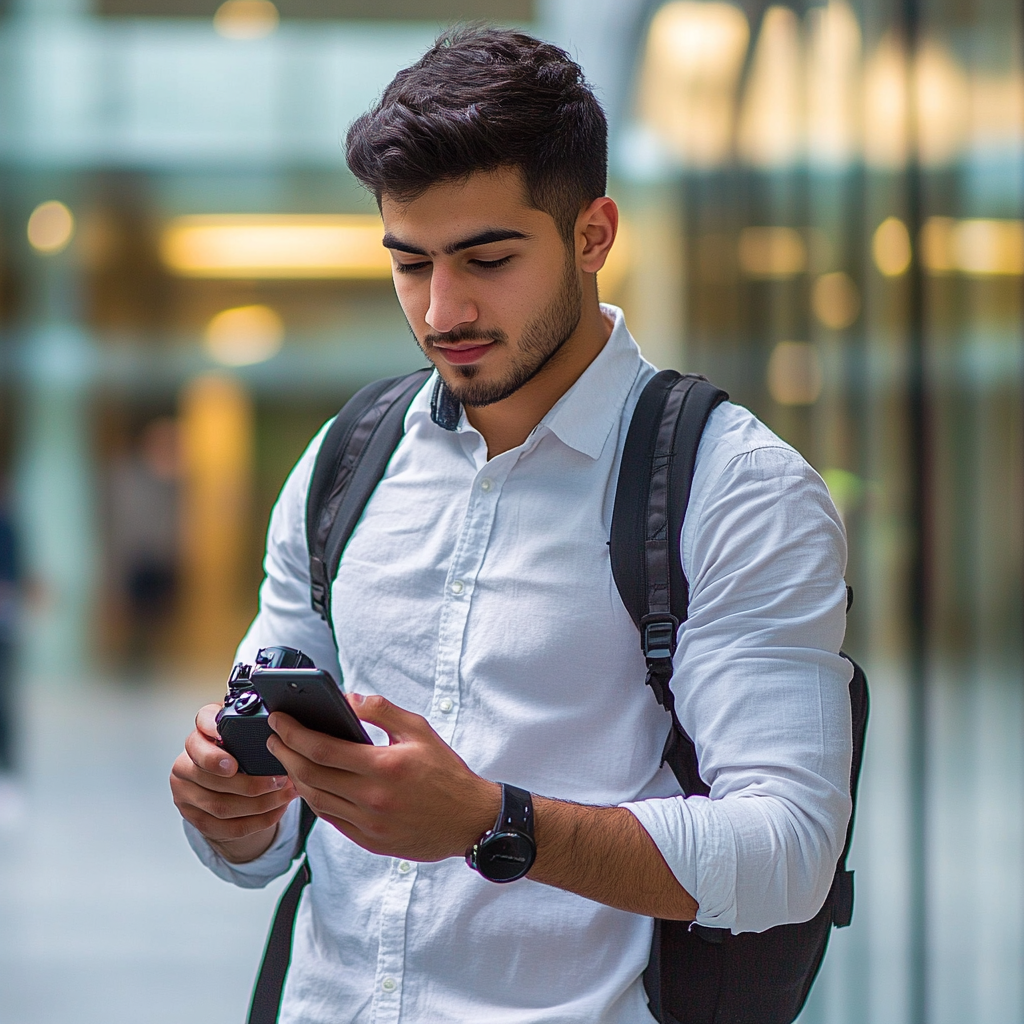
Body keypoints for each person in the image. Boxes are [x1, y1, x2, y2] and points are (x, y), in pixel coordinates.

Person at [171, 26, 853, 1024]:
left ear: (592, 234)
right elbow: (272, 832)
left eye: (486, 258)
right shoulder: (345, 459)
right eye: (410, 264)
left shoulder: (734, 487)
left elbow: (789, 851)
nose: (442, 308)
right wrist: (235, 810)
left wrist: (496, 822)